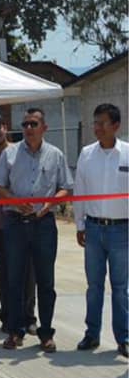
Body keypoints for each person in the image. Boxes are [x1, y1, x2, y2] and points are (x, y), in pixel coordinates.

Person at [0, 107, 73, 352]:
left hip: (43, 225)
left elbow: (66, 188)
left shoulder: (56, 155)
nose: (28, 128)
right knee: (15, 280)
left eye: (33, 124)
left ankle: (45, 333)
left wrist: (50, 203)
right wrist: (15, 200)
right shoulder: (10, 154)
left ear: (44, 128)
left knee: (45, 282)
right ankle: (15, 331)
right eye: (25, 124)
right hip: (16, 223)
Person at [73, 103, 128, 358]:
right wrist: (80, 224)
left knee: (120, 287)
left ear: (115, 125)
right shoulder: (86, 154)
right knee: (94, 286)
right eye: (95, 122)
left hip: (121, 230)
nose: (96, 128)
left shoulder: (127, 154)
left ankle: (124, 337)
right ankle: (91, 334)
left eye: (102, 123)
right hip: (94, 229)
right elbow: (80, 191)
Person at [0, 112, 33, 334]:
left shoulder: (19, 153)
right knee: (4, 272)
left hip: (22, 220)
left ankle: (28, 316)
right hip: (0, 225)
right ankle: (8, 315)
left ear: (6, 127)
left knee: (27, 271)